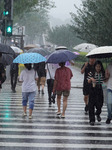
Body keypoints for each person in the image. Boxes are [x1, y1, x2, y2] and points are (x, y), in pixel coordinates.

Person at [88, 60, 106, 126]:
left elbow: (105, 80)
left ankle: (98, 113)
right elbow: (88, 81)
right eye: (97, 67)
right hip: (93, 89)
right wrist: (91, 79)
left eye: (99, 67)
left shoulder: (103, 73)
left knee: (100, 104)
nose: (98, 68)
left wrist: (107, 75)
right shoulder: (91, 73)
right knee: (91, 105)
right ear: (94, 67)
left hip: (99, 89)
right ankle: (92, 120)